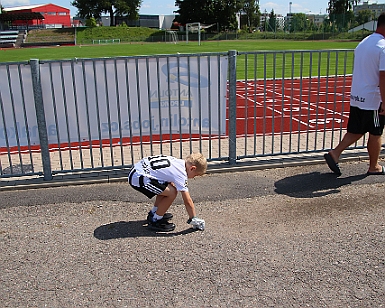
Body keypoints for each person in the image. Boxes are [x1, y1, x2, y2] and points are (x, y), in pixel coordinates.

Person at [324, 12, 385, 176]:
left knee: (357, 130)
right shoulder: (383, 47)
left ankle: (335, 154)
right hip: (373, 98)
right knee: (376, 132)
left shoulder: (364, 42)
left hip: (358, 95)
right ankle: (374, 166)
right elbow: (383, 76)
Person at [128, 153, 207, 232]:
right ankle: (155, 221)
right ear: (192, 168)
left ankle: (155, 213)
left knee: (168, 188)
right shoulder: (181, 173)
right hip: (138, 178)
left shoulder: (178, 162)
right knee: (172, 193)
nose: (193, 177)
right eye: (195, 175)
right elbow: (187, 200)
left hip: (137, 170)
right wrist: (193, 218)